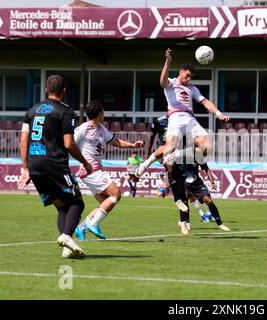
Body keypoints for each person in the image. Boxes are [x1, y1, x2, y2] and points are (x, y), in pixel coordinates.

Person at [18, 75, 92, 259]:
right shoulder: (65, 111)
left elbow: (23, 140)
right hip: (54, 164)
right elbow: (69, 144)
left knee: (62, 207)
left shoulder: (32, 110)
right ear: (64, 91)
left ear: (46, 90)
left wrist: (25, 168)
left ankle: (67, 247)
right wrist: (85, 162)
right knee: (77, 202)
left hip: (35, 165)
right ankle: (66, 236)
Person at [136, 48, 230, 176]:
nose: (189, 79)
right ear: (180, 72)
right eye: (187, 76)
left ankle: (177, 154)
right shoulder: (171, 83)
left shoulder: (192, 88)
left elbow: (205, 102)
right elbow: (162, 81)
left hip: (190, 119)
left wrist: (219, 114)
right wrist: (167, 62)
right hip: (176, 116)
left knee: (207, 147)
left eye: (191, 77)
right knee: (168, 148)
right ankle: (146, 163)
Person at [73, 100, 144, 241]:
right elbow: (69, 144)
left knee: (105, 203)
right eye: (103, 111)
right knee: (116, 194)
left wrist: (133, 145)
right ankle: (94, 224)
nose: (104, 114)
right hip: (90, 169)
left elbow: (115, 141)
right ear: (99, 113)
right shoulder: (83, 128)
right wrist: (83, 161)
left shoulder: (101, 129)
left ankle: (80, 228)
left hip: (94, 170)